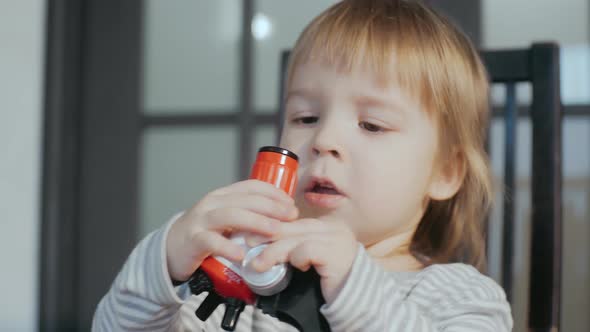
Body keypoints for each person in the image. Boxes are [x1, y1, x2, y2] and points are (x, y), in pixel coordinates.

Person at [93, 0, 513, 330]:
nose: (323, 141)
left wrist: (353, 287)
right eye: (305, 118)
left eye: (371, 124)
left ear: (445, 173)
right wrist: (164, 261)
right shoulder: (246, 279)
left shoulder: (457, 295)